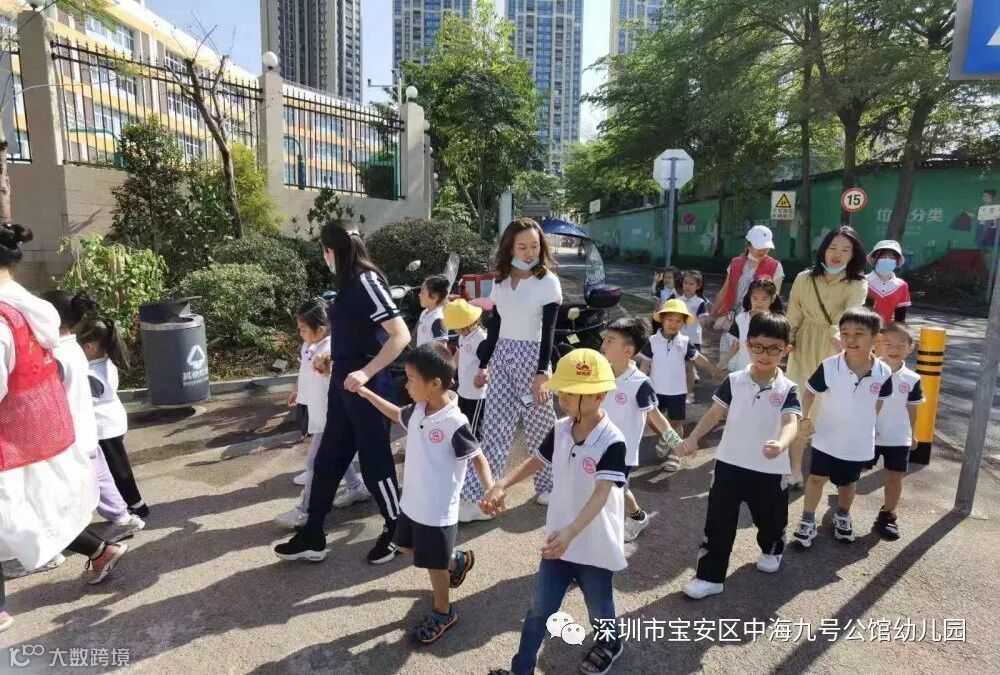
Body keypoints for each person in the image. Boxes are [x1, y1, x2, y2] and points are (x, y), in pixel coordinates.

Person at [1, 225, 126, 632]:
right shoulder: (31, 314)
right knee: (38, 511)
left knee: (30, 514)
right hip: (44, 437)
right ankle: (102, 546)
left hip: (15, 442)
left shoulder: (5, 320)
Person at [484, 349, 627, 675]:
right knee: (539, 610)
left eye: (572, 392)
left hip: (593, 544)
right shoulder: (561, 428)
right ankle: (521, 670)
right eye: (562, 389)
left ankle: (610, 643)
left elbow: (601, 494)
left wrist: (571, 532)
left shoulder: (612, 441)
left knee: (599, 607)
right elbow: (537, 460)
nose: (563, 397)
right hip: (558, 542)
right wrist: (502, 483)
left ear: (599, 396)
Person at [275, 221, 410, 565]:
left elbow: (400, 335)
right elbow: (356, 333)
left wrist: (365, 372)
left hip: (368, 387)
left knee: (376, 462)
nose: (324, 257)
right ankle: (313, 534)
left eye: (324, 251)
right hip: (343, 385)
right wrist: (334, 361)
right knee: (328, 459)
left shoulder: (367, 281)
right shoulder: (348, 283)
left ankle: (397, 529)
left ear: (331, 250)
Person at [356, 342, 494, 645]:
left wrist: (490, 490)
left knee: (433, 566)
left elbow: (478, 458)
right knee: (407, 548)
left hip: (437, 510)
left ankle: (444, 612)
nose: (406, 386)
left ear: (434, 384)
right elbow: (397, 414)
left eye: (411, 379)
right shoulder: (419, 410)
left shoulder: (454, 422)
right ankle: (455, 560)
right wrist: (366, 394)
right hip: (412, 504)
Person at [678, 313, 801, 599]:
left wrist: (781, 444)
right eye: (758, 347)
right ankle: (709, 577)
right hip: (729, 464)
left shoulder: (788, 388)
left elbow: (791, 422)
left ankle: (772, 549)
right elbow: (714, 414)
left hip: (770, 469)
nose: (765, 355)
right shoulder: (734, 381)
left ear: (786, 350)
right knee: (718, 522)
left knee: (770, 520)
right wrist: (693, 438)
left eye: (774, 349)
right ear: (748, 345)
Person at [458, 218, 560, 522]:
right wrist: (484, 364)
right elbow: (495, 326)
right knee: (494, 428)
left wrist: (542, 372)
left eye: (534, 246)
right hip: (503, 358)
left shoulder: (547, 282)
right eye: (522, 246)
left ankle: (551, 486)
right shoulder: (501, 281)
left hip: (533, 359)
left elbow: (549, 331)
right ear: (510, 248)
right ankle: (480, 498)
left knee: (540, 426)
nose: (529, 252)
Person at [41, 291, 144, 544]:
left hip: (74, 432)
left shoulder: (58, 355)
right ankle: (123, 516)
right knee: (101, 474)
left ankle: (64, 538)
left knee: (74, 482)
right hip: (88, 428)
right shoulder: (74, 350)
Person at [793, 307, 892, 547]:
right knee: (816, 479)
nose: (850, 339)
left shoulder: (883, 372)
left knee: (847, 483)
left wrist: (872, 424)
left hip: (858, 441)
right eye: (845, 333)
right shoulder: (829, 366)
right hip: (826, 438)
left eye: (859, 334)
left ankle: (843, 514)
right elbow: (809, 392)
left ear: (876, 339)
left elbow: (880, 401)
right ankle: (807, 519)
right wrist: (805, 418)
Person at [785, 226, 869, 488]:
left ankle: (822, 468)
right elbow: (793, 312)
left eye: (845, 249)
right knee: (800, 404)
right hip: (803, 345)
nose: (837, 254)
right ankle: (794, 470)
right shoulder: (804, 278)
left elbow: (852, 314)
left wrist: (837, 336)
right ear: (823, 249)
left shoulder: (857, 283)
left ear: (853, 254)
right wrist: (787, 339)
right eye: (833, 247)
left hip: (835, 348)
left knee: (827, 407)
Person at [276, 299, 368, 529]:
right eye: (299, 329)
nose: (300, 333)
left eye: (303, 329)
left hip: (333, 415)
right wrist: (298, 392)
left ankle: (305, 510)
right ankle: (356, 487)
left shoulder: (332, 349)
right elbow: (304, 372)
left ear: (321, 329)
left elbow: (340, 376)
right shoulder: (309, 345)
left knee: (316, 462)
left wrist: (327, 367)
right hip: (320, 412)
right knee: (335, 455)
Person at [599, 318, 682, 542]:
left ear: (628, 350)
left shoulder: (639, 382)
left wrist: (675, 442)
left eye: (610, 340)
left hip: (621, 452)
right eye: (604, 339)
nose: (603, 345)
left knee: (616, 490)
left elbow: (656, 417)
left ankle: (634, 520)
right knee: (612, 489)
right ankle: (633, 518)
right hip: (596, 445)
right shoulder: (600, 373)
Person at [77, 314, 149, 518]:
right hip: (112, 422)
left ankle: (136, 505)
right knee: (115, 468)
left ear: (89, 346)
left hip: (104, 428)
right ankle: (131, 504)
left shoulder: (90, 373)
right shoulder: (106, 362)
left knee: (118, 470)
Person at [638, 298, 716, 472]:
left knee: (676, 423)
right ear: (662, 320)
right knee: (651, 420)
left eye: (679, 321)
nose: (674, 324)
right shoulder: (652, 341)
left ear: (684, 323)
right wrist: (638, 384)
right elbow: (645, 365)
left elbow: (699, 359)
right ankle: (667, 439)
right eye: (670, 320)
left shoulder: (685, 342)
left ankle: (675, 454)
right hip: (655, 390)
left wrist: (714, 370)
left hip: (677, 391)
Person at [869, 322, 925, 540]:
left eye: (901, 345)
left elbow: (912, 408)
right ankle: (842, 510)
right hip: (868, 434)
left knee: (895, 477)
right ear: (878, 344)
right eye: (888, 344)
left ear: (911, 348)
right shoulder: (869, 371)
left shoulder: (912, 379)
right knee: (850, 475)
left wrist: (913, 433)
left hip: (898, 437)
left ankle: (888, 514)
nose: (894, 349)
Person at [710, 225, 784, 352]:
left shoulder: (775, 266)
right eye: (758, 246)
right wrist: (712, 315)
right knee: (727, 355)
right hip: (731, 319)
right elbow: (725, 291)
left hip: (757, 321)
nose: (763, 250)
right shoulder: (736, 262)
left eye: (765, 246)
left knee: (750, 355)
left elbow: (774, 297)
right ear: (749, 245)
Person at [715, 277, 784, 377]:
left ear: (772, 299)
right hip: (742, 369)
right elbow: (735, 346)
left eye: (764, 299)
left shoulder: (775, 322)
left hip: (765, 370)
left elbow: (776, 349)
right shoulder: (741, 319)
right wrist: (721, 364)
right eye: (755, 298)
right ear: (749, 298)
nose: (759, 302)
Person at [443, 298, 487, 440]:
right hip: (464, 390)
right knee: (463, 424)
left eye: (456, 326)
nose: (455, 330)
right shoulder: (463, 336)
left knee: (474, 431)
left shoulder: (480, 339)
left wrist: (485, 377)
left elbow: (490, 362)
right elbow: (458, 354)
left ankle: (477, 453)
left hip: (476, 394)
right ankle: (467, 451)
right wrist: (449, 372)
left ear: (466, 323)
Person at [678, 270, 710, 405]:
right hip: (677, 339)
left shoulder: (700, 302)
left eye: (691, 284)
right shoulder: (677, 301)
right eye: (685, 283)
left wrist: (706, 320)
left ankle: (689, 394)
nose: (688, 286)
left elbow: (703, 321)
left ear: (698, 286)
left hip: (692, 340)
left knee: (688, 368)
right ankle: (676, 390)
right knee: (676, 367)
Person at [865, 240, 911, 326]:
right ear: (874, 258)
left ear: (897, 261)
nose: (887, 259)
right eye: (883, 256)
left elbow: (900, 320)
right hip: (861, 331)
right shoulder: (862, 281)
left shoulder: (901, 285)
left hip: (886, 332)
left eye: (892, 257)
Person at [416, 274, 450, 347]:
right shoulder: (424, 313)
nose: (419, 294)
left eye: (422, 292)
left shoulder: (438, 319)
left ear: (434, 296)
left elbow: (442, 350)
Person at [649, 265, 679, 333]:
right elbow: (653, 293)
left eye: (670, 277)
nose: (667, 279)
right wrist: (655, 282)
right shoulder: (661, 290)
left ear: (676, 279)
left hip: (672, 320)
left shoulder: (678, 292)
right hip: (660, 318)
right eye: (665, 277)